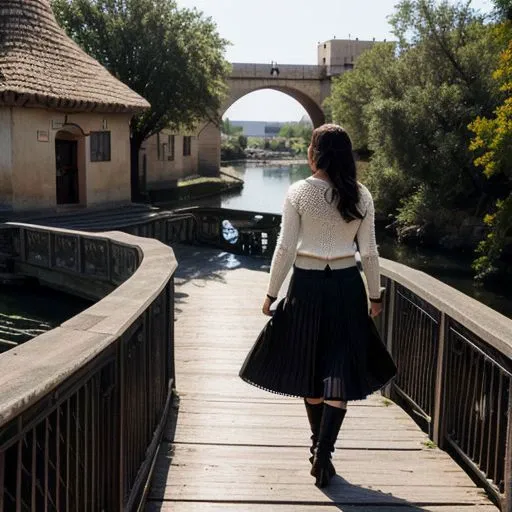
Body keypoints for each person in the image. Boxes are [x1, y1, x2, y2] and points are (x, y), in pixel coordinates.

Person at [239, 123, 396, 488]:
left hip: (306, 287)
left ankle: (316, 450)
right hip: (346, 287)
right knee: (337, 367)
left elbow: (284, 248)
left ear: (314, 154)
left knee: (310, 364)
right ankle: (325, 454)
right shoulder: (361, 195)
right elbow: (369, 253)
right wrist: (375, 296)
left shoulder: (298, 192)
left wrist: (270, 293)